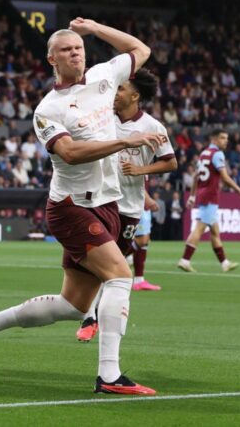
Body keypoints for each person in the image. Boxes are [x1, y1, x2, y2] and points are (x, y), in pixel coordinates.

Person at [0, 17, 162, 395]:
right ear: (51, 59)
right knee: (120, 276)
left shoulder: (104, 75)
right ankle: (109, 375)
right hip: (72, 208)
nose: (75, 54)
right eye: (67, 50)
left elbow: (141, 50)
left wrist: (95, 28)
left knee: (73, 305)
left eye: (79, 48)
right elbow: (69, 153)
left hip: (107, 205)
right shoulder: (48, 109)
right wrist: (123, 142)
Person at [76, 71, 176, 342]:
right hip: (98, 202)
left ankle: (101, 316)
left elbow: (170, 162)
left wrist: (141, 170)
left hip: (129, 208)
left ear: (135, 96)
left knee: (114, 270)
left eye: (121, 89)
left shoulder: (153, 126)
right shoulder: (103, 119)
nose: (115, 92)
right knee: (96, 264)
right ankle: (89, 318)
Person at [178, 129, 240, 273]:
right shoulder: (217, 154)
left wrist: (192, 196)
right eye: (222, 138)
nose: (226, 141)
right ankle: (185, 260)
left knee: (215, 232)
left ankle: (225, 263)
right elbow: (225, 177)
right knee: (199, 228)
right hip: (210, 196)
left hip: (203, 194)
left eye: (226, 138)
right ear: (214, 139)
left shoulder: (204, 153)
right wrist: (238, 189)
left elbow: (196, 176)